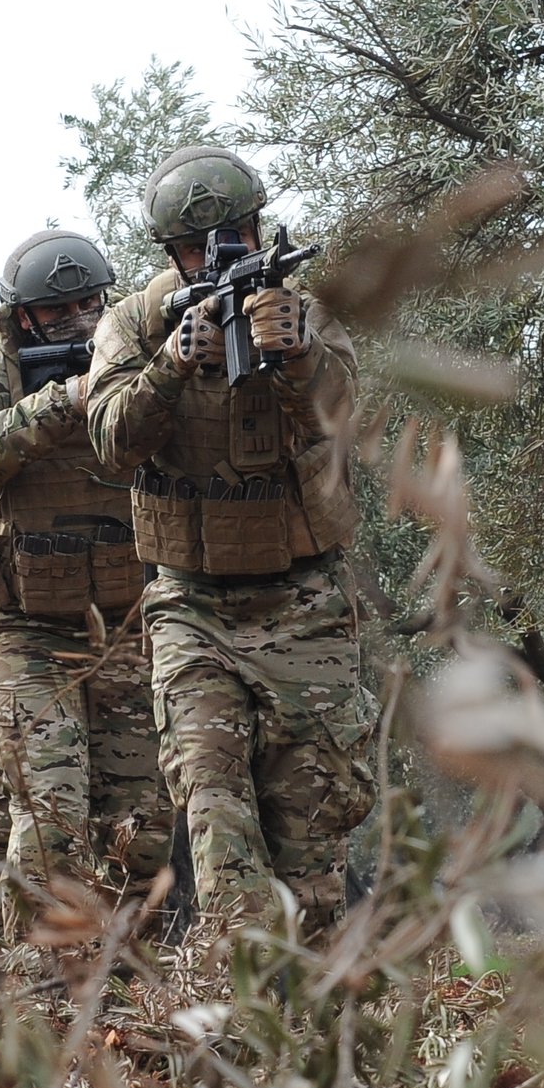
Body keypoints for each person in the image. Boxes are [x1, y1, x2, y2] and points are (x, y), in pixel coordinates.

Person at [85, 146, 378, 935]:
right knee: (215, 816)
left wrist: (297, 357)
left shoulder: (303, 311)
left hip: (303, 601)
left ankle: (316, 1037)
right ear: (171, 254)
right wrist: (172, 366)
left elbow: (345, 417)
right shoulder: (134, 326)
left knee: (312, 846)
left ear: (259, 228)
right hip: (192, 606)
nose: (220, 256)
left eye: (236, 235)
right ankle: (240, 1022)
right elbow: (110, 439)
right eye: (194, 248)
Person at [0, 230, 175, 932]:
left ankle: (134, 990)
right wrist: (66, 399)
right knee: (51, 817)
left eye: (91, 303)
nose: (81, 320)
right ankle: (38, 989)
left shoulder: (130, 345)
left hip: (126, 623)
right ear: (23, 319)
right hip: (26, 632)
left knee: (144, 825)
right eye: (61, 309)